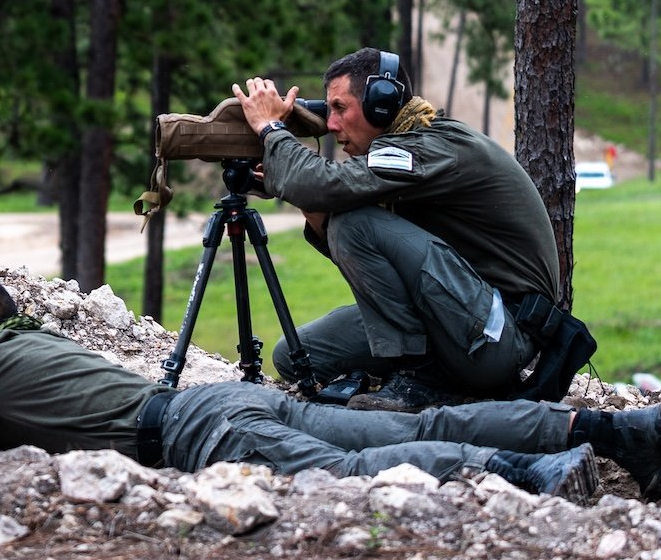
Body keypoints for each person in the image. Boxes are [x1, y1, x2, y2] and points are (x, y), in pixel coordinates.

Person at [0, 271, 661, 502]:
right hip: (221, 404)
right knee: (395, 432)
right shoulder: (35, 346)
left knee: (360, 472)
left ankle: (526, 476)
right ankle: (614, 434)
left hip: (198, 436)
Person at [232, 48, 565, 413]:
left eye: (340, 108)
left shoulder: (435, 146)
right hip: (456, 320)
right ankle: (426, 371)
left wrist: (271, 129)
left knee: (351, 220)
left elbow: (333, 198)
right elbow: (354, 239)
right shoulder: (407, 150)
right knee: (299, 357)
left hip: (497, 337)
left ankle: (419, 380)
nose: (331, 124)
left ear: (381, 102)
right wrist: (297, 189)